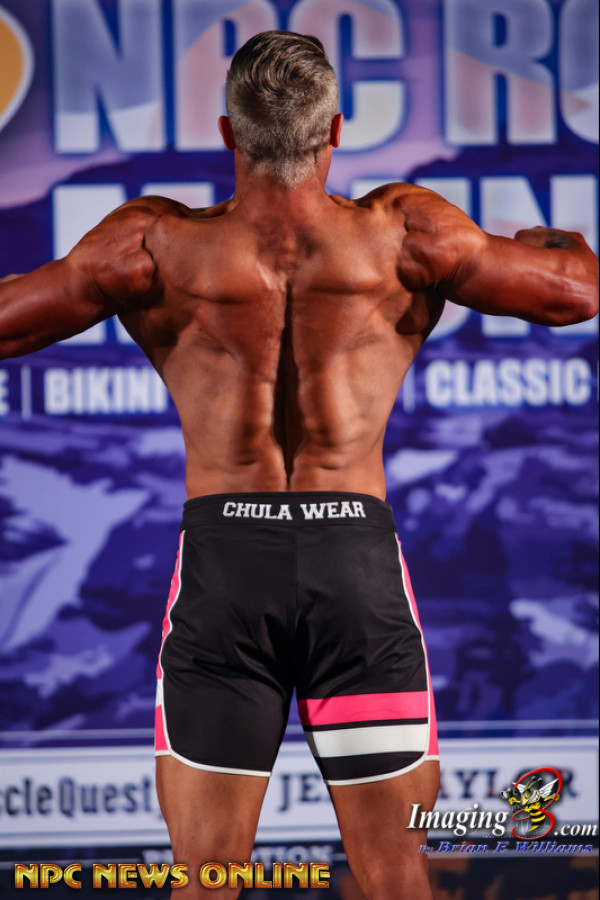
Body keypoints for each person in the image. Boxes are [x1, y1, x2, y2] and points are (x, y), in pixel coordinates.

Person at [0, 29, 597, 900]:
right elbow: (575, 291)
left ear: (228, 133)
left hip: (226, 569)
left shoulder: (151, 246)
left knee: (206, 876)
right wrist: (557, 237)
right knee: (395, 872)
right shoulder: (406, 235)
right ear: (336, 132)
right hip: (353, 563)